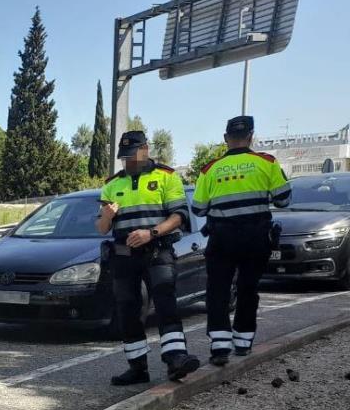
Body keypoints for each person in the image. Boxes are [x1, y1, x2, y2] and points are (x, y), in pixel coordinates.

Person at [96, 130, 201, 386]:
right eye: (125, 158)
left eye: (133, 156)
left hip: (157, 251)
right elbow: (101, 228)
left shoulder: (166, 177)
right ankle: (137, 368)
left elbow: (179, 217)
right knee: (128, 310)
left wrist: (151, 233)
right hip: (124, 256)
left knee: (165, 304)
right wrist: (108, 216)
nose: (129, 162)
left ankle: (176, 360)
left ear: (145, 149)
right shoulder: (112, 184)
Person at [192, 116, 292, 365]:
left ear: (226, 139)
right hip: (256, 238)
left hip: (222, 238)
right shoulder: (266, 163)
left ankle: (220, 347)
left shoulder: (210, 169)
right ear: (251, 137)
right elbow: (283, 199)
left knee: (218, 291)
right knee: (248, 289)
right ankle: (244, 343)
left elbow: (198, 209)